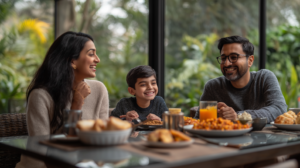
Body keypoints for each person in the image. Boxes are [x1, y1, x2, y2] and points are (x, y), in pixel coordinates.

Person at [16, 31, 109, 168]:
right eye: (91, 54)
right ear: (72, 61)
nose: (97, 59)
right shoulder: (41, 95)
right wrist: (76, 105)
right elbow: (39, 151)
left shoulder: (99, 89)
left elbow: (102, 140)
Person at [194, 35, 287, 123]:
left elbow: (279, 109)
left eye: (234, 57)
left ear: (250, 60)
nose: (226, 64)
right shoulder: (213, 87)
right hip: (226, 139)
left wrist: (238, 116)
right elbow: (198, 121)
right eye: (223, 58)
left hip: (263, 139)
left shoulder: (264, 78)